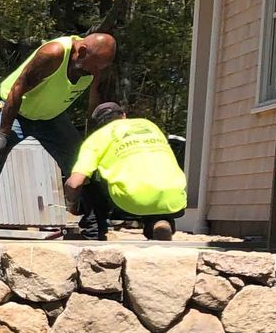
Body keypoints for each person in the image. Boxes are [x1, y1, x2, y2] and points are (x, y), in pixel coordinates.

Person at [0, 32, 117, 235]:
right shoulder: (54, 53)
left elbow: (94, 104)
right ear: (82, 51)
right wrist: (2, 135)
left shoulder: (95, 64)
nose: (95, 71)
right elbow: (17, 89)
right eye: (94, 65)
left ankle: (95, 225)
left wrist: (98, 141)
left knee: (83, 165)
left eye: (101, 67)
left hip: (52, 117)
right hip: (16, 112)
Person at [64, 102, 187, 240]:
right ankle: (160, 222)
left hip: (133, 201)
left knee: (89, 180)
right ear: (123, 115)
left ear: (99, 124)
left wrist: (72, 203)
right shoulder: (149, 126)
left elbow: (74, 183)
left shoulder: (97, 138)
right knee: (148, 175)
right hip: (174, 197)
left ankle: (94, 232)